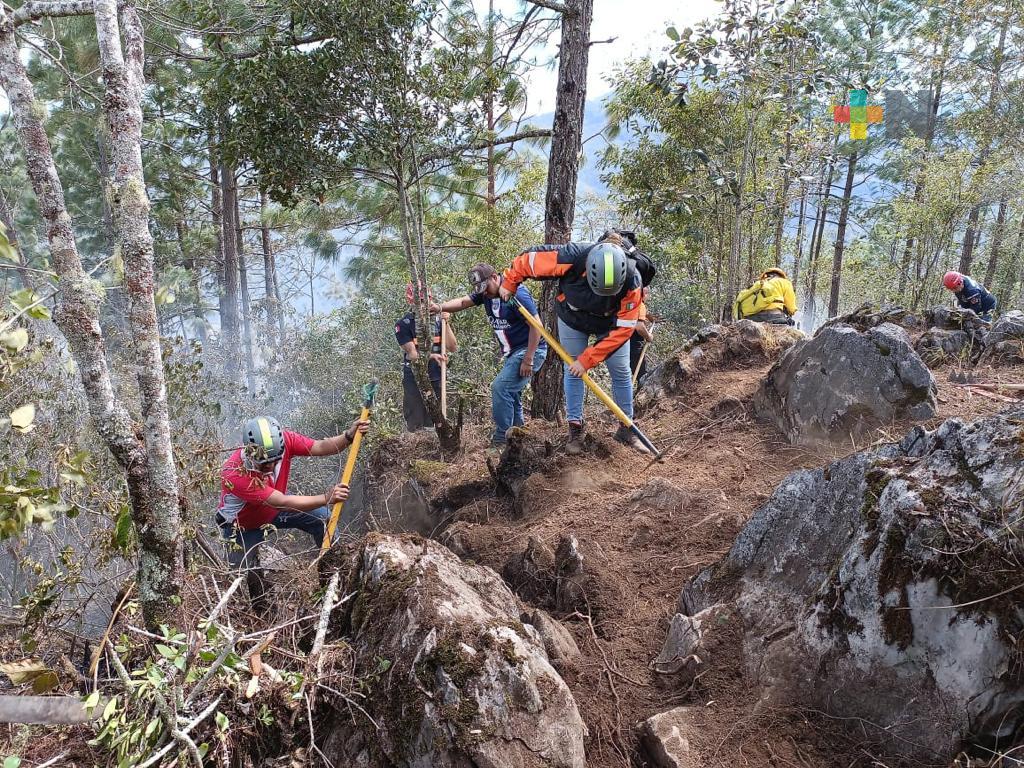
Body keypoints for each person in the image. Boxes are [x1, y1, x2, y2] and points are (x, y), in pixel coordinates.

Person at [498, 230, 648, 455]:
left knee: (621, 371)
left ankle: (627, 429)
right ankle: (575, 430)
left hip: (611, 324)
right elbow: (527, 261)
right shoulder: (571, 256)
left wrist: (589, 360)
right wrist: (509, 284)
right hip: (572, 318)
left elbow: (624, 330)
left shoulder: (632, 280)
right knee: (573, 369)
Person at [215, 415, 370, 609]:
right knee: (240, 580)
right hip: (241, 528)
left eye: (274, 460)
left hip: (272, 512)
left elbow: (319, 447)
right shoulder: (234, 472)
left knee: (323, 520)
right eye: (263, 464)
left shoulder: (286, 441)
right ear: (249, 452)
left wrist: (348, 436)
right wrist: (326, 498)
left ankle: (334, 572)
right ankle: (256, 613)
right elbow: (282, 502)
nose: (270, 466)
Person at [431, 263, 548, 448]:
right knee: (512, 393)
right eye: (481, 290)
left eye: (486, 288)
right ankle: (519, 435)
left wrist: (529, 358)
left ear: (495, 277)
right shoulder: (485, 294)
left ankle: (502, 439)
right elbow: (463, 302)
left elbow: (537, 325)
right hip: (512, 353)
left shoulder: (517, 294)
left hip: (529, 350)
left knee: (500, 388)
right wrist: (438, 307)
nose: (484, 293)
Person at [395, 282, 458, 431]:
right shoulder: (403, 324)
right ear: (411, 301)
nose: (423, 304)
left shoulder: (437, 321)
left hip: (437, 376)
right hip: (414, 378)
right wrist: (432, 355)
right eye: (419, 301)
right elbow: (413, 355)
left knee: (436, 421)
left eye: (426, 300)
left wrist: (446, 322)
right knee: (416, 422)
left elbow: (452, 347)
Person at [733, 268, 797, 325]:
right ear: (781, 276)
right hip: (774, 316)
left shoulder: (759, 284)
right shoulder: (785, 282)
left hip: (752, 318)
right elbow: (791, 308)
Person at [629, 287, 654, 382]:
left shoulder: (628, 304)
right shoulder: (641, 305)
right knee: (642, 376)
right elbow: (639, 327)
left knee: (623, 377)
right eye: (648, 294)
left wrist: (646, 316)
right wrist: (648, 337)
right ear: (644, 295)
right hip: (634, 347)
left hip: (621, 346)